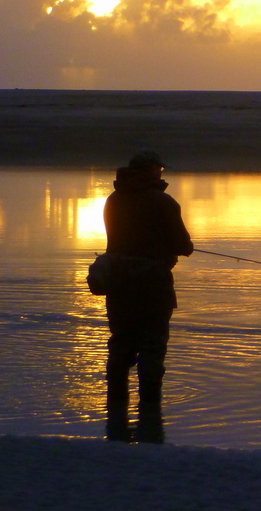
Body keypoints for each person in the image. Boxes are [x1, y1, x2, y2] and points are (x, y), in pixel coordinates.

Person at [102, 149, 193, 438]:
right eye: (160, 169)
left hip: (118, 282)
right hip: (153, 283)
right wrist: (184, 248)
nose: (161, 173)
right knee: (153, 347)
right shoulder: (163, 201)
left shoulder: (113, 200)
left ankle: (115, 410)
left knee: (121, 344)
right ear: (153, 170)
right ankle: (150, 412)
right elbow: (182, 243)